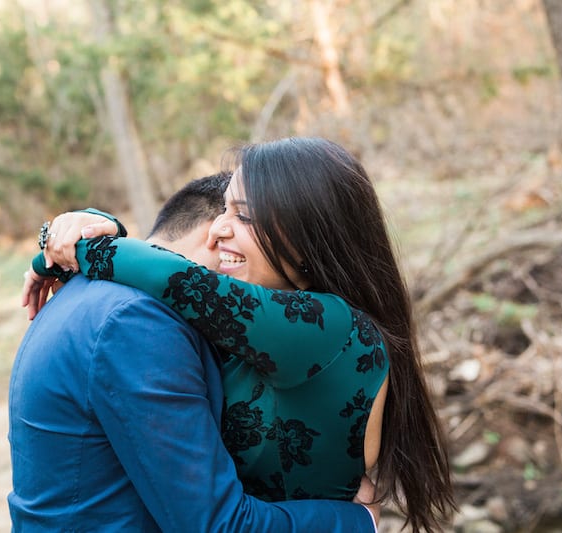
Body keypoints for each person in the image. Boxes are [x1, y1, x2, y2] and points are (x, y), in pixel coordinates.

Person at [31, 138, 456, 532]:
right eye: (223, 211)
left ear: (311, 237)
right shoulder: (253, 328)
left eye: (243, 215)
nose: (218, 230)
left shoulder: (330, 328)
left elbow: (174, 277)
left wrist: (69, 246)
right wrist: (85, 228)